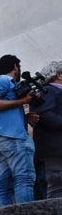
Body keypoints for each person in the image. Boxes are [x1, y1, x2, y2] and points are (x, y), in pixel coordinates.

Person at [0, 54, 36, 206]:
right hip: (12, 138)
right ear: (15, 66)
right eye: (19, 67)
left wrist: (24, 118)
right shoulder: (4, 80)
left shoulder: (3, 83)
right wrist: (23, 101)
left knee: (5, 184)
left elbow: (1, 111)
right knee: (24, 177)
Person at [32, 60, 62, 199]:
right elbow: (44, 114)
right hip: (55, 148)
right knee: (57, 187)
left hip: (56, 148)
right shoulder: (48, 90)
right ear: (59, 75)